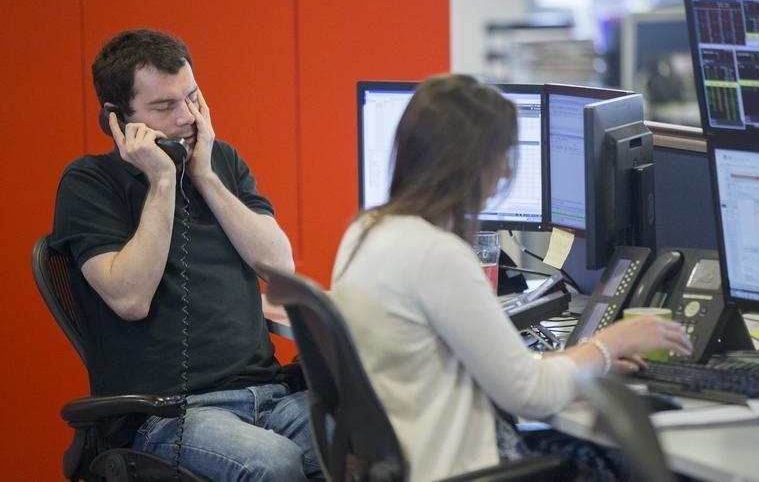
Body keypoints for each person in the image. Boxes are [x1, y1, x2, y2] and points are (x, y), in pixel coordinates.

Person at [329, 74, 693, 481]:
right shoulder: (436, 255)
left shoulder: (364, 232)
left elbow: (473, 365)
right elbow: (531, 395)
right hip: (456, 469)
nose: (505, 170)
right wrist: (611, 343)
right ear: (472, 163)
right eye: (502, 154)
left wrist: (576, 358)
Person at [51, 29, 320, 481]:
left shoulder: (222, 163)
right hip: (170, 417)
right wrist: (161, 182)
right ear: (116, 120)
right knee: (274, 464)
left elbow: (277, 264)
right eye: (164, 107)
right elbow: (130, 298)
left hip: (271, 396)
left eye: (193, 98)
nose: (187, 117)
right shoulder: (89, 183)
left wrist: (206, 177)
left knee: (378, 435)